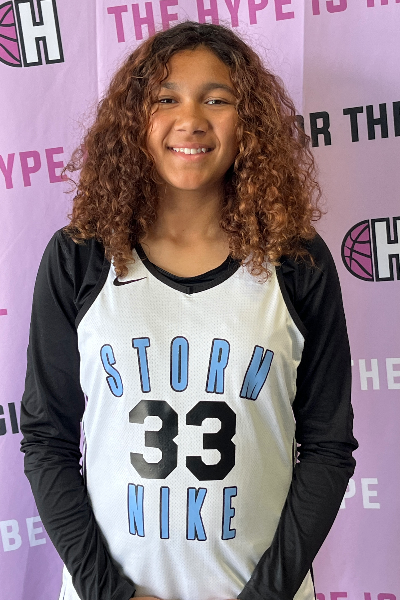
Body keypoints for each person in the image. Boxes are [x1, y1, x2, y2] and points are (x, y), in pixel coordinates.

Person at [20, 21, 358, 600]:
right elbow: (47, 439)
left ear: (247, 121)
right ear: (135, 119)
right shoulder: (80, 257)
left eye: (217, 99)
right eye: (165, 98)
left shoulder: (296, 261)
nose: (191, 119)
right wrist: (111, 594)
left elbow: (327, 446)